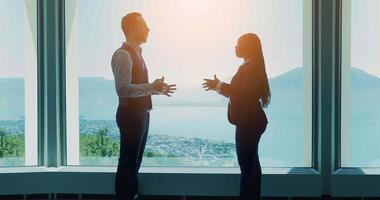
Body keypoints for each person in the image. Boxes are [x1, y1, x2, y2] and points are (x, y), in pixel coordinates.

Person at [111, 12, 176, 200]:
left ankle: (131, 195)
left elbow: (135, 87)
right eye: (143, 25)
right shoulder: (123, 55)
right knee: (128, 163)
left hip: (141, 114)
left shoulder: (136, 53)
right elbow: (123, 89)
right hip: (131, 115)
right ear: (131, 28)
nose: (148, 29)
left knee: (134, 162)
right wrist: (151, 87)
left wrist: (156, 90)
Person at [202, 33, 270, 200]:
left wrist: (219, 85)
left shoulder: (251, 67)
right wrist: (218, 87)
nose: (235, 47)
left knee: (247, 168)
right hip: (252, 121)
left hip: (249, 123)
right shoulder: (250, 66)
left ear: (247, 47)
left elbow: (245, 93)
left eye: (238, 44)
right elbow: (239, 95)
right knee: (252, 167)